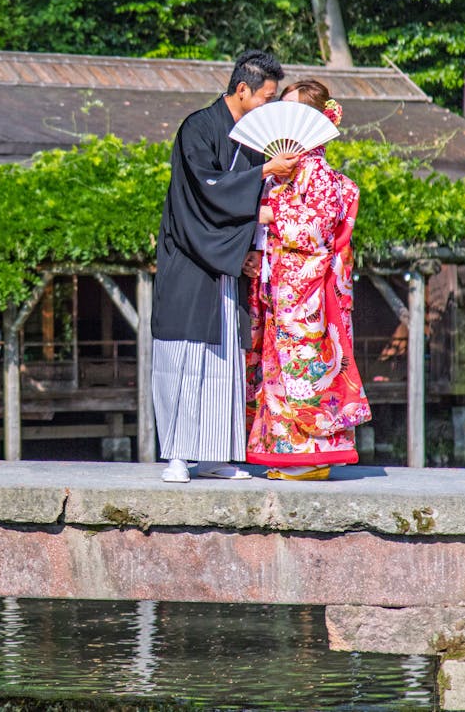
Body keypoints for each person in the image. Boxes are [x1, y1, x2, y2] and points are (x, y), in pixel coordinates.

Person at [152, 50, 302, 483]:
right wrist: (260, 175)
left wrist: (248, 249)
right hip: (190, 255)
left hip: (227, 262)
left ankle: (217, 454)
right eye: (267, 97)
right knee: (183, 357)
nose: (271, 106)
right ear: (242, 90)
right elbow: (203, 193)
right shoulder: (198, 128)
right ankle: (178, 455)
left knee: (225, 360)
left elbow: (252, 205)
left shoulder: (256, 138)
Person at [245, 80, 371, 481]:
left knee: (305, 369)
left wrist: (267, 215)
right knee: (279, 370)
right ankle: (289, 455)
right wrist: (255, 250)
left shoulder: (317, 171)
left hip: (306, 288)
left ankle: (314, 456)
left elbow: (314, 230)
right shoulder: (286, 170)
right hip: (280, 282)